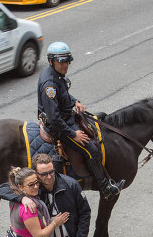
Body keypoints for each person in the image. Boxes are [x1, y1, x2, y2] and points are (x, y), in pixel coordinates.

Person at [37, 41, 125, 200]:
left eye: (67, 61)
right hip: (59, 125)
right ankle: (105, 187)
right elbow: (54, 118)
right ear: (51, 61)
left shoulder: (56, 75)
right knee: (91, 148)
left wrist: (75, 102)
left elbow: (63, 95)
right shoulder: (49, 84)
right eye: (61, 62)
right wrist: (73, 134)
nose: (65, 65)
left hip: (67, 116)